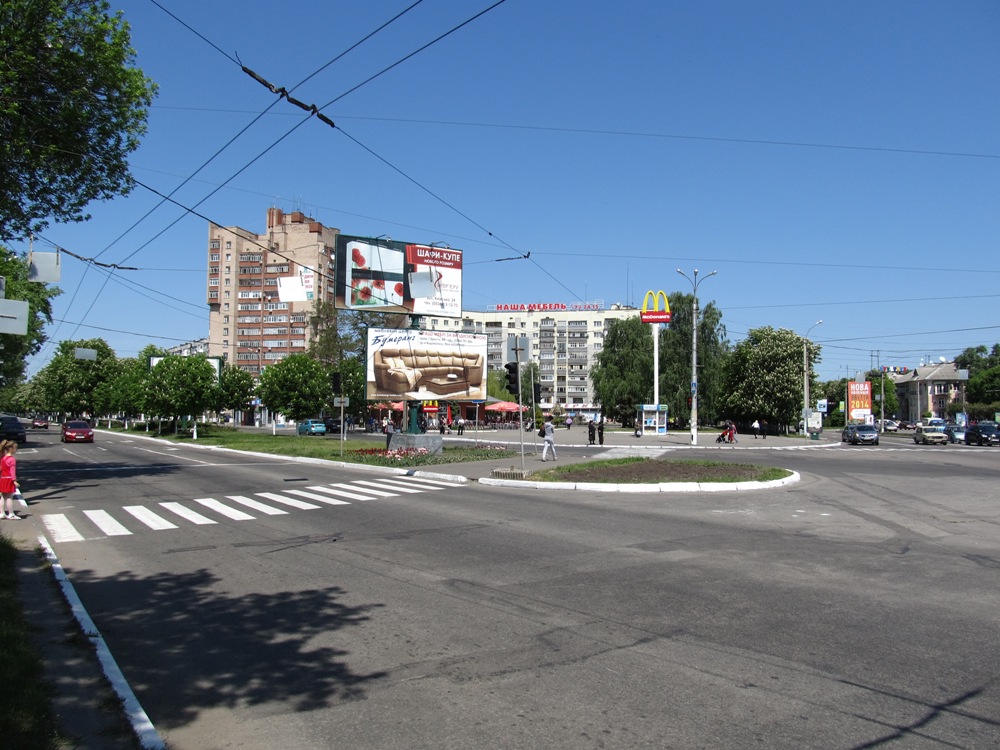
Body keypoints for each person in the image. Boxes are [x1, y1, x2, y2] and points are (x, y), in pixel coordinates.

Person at [0, 440, 20, 520]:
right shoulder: (12, 459)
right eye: (15, 448)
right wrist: (14, 481)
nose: (16, 450)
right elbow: (12, 471)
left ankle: (2, 513)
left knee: (2, 496)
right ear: (11, 449)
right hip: (9, 480)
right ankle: (11, 514)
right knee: (9, 497)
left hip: (3, 479)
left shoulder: (3, 458)